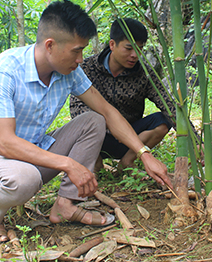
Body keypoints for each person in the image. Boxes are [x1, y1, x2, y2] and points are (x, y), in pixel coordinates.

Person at [0, 0, 172, 243]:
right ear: (50, 46)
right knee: (24, 179)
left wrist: (144, 154)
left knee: (94, 120)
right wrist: (69, 164)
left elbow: (107, 112)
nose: (81, 59)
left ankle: (65, 205)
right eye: (76, 50)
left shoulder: (69, 71)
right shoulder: (5, 70)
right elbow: (5, 143)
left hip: (37, 152)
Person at [70, 18, 179, 171]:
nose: (135, 55)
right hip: (97, 137)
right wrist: (108, 125)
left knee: (162, 120)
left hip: (130, 139)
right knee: (86, 122)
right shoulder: (87, 68)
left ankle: (127, 162)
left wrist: (195, 141)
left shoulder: (144, 74)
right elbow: (76, 107)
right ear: (112, 44)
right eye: (129, 48)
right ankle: (96, 164)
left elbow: (169, 105)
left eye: (139, 49)